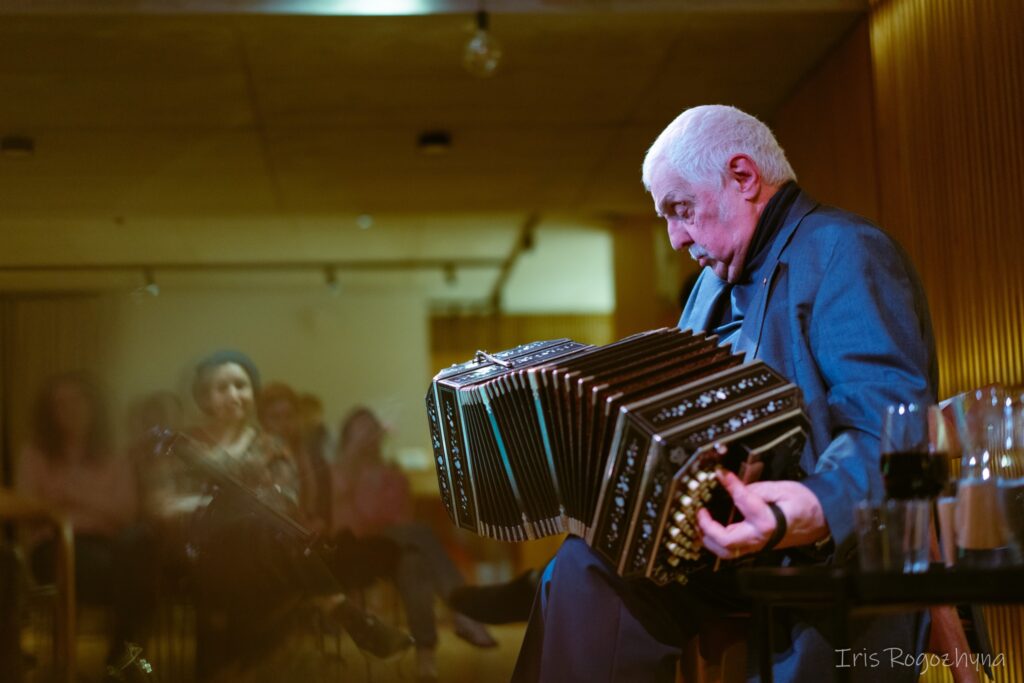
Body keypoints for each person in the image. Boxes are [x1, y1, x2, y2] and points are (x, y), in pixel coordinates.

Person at [512, 105, 938, 682]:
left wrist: (807, 508)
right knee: (581, 568)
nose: (676, 237)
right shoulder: (712, 285)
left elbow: (892, 430)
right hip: (722, 550)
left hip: (822, 554)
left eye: (681, 210)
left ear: (743, 177)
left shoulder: (845, 250)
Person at [176, 351, 412, 680]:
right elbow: (165, 504)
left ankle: (243, 663)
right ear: (202, 397)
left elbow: (285, 503)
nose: (233, 395)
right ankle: (346, 613)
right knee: (258, 527)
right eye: (221, 387)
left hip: (262, 554)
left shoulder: (270, 446)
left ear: (252, 394)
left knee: (262, 529)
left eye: (240, 385)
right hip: (203, 554)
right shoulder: (186, 445)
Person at [333, 407, 497, 682]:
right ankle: (462, 613)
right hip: (354, 553)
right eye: (359, 432)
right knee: (419, 535)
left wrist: (375, 486)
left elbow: (400, 519)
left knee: (414, 562)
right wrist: (357, 472)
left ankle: (426, 651)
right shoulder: (336, 474)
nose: (367, 438)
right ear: (348, 438)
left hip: (389, 549)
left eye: (370, 431)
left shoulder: (392, 474)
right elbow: (347, 525)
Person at [16, 373, 157, 675]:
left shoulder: (114, 456)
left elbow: (126, 513)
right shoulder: (35, 454)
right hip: (55, 547)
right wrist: (95, 507)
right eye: (61, 404)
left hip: (112, 548)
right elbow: (28, 509)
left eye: (78, 401)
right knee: (136, 572)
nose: (71, 409)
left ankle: (122, 651)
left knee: (140, 543)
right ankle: (126, 654)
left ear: (93, 407)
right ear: (49, 412)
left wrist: (72, 497)